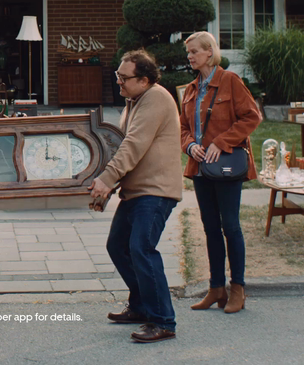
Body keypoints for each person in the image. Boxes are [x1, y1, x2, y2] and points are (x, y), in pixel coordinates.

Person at [89, 50, 182, 343]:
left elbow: (134, 144)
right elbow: (118, 148)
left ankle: (163, 321)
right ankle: (141, 306)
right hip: (136, 191)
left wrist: (106, 179)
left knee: (142, 249)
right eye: (118, 75)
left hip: (155, 191)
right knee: (118, 246)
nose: (118, 81)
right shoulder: (134, 101)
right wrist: (107, 186)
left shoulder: (155, 98)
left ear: (144, 79)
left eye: (124, 77)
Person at [180, 31, 261, 314]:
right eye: (188, 52)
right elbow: (183, 127)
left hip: (226, 165)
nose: (190, 56)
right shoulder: (191, 89)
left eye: (194, 51)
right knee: (210, 227)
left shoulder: (230, 81)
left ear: (209, 52)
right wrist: (190, 146)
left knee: (231, 226)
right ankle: (216, 288)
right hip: (200, 168)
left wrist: (220, 142)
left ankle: (238, 288)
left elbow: (252, 117)